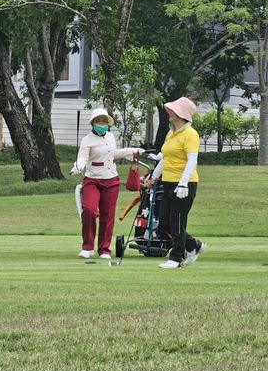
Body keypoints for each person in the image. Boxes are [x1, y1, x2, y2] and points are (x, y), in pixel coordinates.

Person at [70, 108, 143, 259]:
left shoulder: (110, 136)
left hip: (111, 180)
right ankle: (87, 247)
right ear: (93, 123)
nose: (101, 124)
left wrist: (132, 151)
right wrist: (78, 166)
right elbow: (82, 158)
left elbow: (113, 154)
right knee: (89, 210)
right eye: (98, 121)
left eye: (104, 121)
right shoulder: (87, 140)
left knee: (107, 215)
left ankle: (104, 249)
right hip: (92, 180)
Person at [147, 97, 206, 269]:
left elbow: (192, 160)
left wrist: (183, 183)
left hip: (185, 183)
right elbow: (165, 159)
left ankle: (176, 258)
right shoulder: (171, 133)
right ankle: (193, 245)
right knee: (164, 223)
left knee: (178, 222)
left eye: (173, 111)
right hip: (168, 182)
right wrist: (154, 178)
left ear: (181, 114)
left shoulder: (190, 134)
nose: (169, 113)